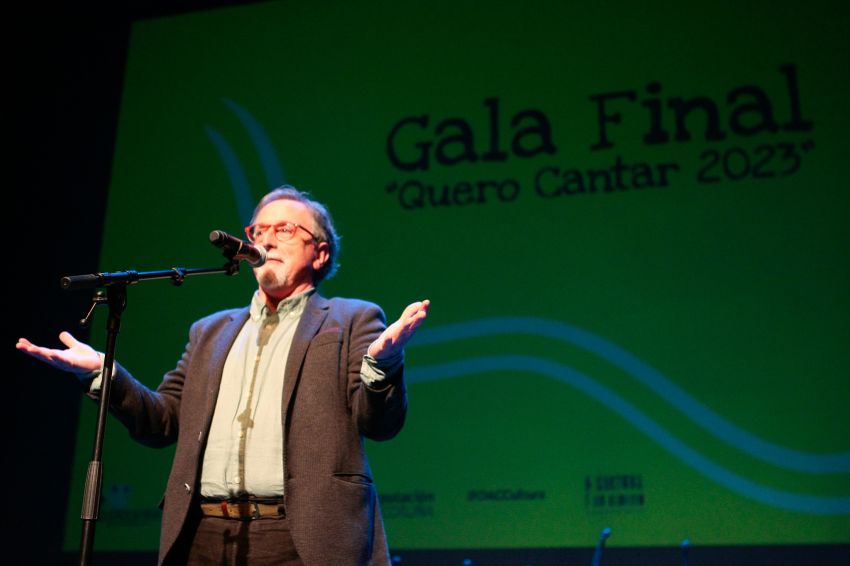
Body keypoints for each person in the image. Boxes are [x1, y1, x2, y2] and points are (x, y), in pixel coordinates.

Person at [17, 186, 430, 566]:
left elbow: (379, 423)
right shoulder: (209, 331)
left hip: (302, 535)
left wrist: (381, 364)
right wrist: (103, 374)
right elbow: (162, 421)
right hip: (203, 533)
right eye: (258, 230)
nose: (265, 240)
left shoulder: (351, 317)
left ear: (319, 253)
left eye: (284, 229)